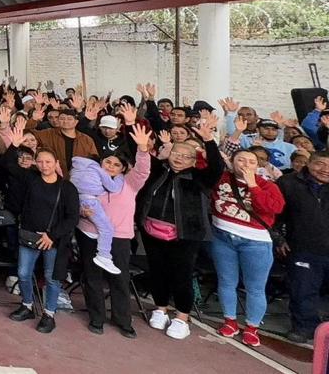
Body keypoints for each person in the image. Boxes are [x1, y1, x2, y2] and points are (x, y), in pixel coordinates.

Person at [139, 112, 224, 340]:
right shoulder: (159, 171)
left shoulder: (199, 178)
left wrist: (208, 140)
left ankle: (182, 316)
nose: (179, 158)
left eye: (185, 156)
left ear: (193, 160)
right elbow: (142, 157)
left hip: (186, 235)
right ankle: (160, 307)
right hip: (152, 230)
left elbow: (217, 167)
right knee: (157, 271)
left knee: (181, 274)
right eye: (176, 153)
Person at [77, 124, 154, 337]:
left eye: (116, 164)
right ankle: (97, 318)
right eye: (107, 162)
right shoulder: (89, 181)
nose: (111, 166)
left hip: (119, 237)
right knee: (92, 277)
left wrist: (142, 149)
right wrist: (82, 212)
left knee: (119, 278)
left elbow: (143, 170)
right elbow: (77, 201)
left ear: (123, 168)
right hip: (90, 234)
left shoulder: (129, 183)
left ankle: (122, 319)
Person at [210, 148, 285, 346]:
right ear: (232, 162)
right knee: (226, 282)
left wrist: (253, 185)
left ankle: (252, 327)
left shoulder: (267, 185)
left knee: (255, 288)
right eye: (241, 160)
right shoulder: (221, 178)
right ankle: (230, 321)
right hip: (222, 236)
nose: (246, 164)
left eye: (251, 161)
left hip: (255, 242)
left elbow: (273, 208)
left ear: (258, 165)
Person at [6, 149, 80, 334]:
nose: (44, 166)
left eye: (48, 162)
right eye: (39, 162)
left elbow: (72, 217)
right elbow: (7, 166)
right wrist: (14, 145)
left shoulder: (67, 188)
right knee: (23, 273)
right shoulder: (30, 179)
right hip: (29, 236)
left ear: (56, 163)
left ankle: (49, 314)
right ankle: (27, 305)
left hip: (53, 240)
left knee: (51, 278)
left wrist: (51, 235)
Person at [277, 150, 329, 344]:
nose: (325, 170)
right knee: (303, 290)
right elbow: (275, 215)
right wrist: (278, 239)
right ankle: (304, 328)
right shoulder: (288, 183)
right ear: (309, 163)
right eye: (320, 164)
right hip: (302, 248)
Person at [69, 155, 123, 274]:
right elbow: (113, 187)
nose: (110, 166)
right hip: (91, 201)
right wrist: (119, 177)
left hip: (77, 200)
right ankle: (104, 255)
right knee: (107, 228)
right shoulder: (97, 169)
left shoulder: (75, 169)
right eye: (107, 162)